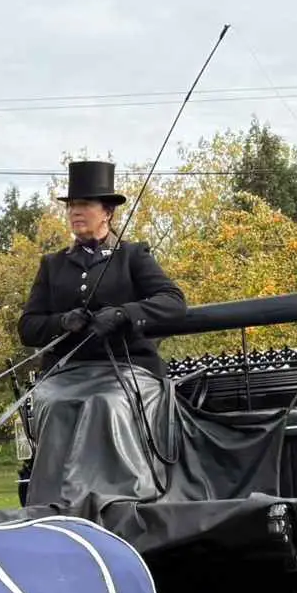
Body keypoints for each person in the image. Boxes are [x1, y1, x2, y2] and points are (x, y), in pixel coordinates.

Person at [14, 160, 187, 514]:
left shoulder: (132, 256)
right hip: (68, 372)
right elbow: (28, 326)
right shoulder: (53, 264)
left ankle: (118, 499)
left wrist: (124, 314)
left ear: (106, 212)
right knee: (54, 403)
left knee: (105, 403)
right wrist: (63, 321)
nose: (75, 213)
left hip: (126, 368)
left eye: (84, 206)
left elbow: (173, 302)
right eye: (71, 207)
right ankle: (50, 504)